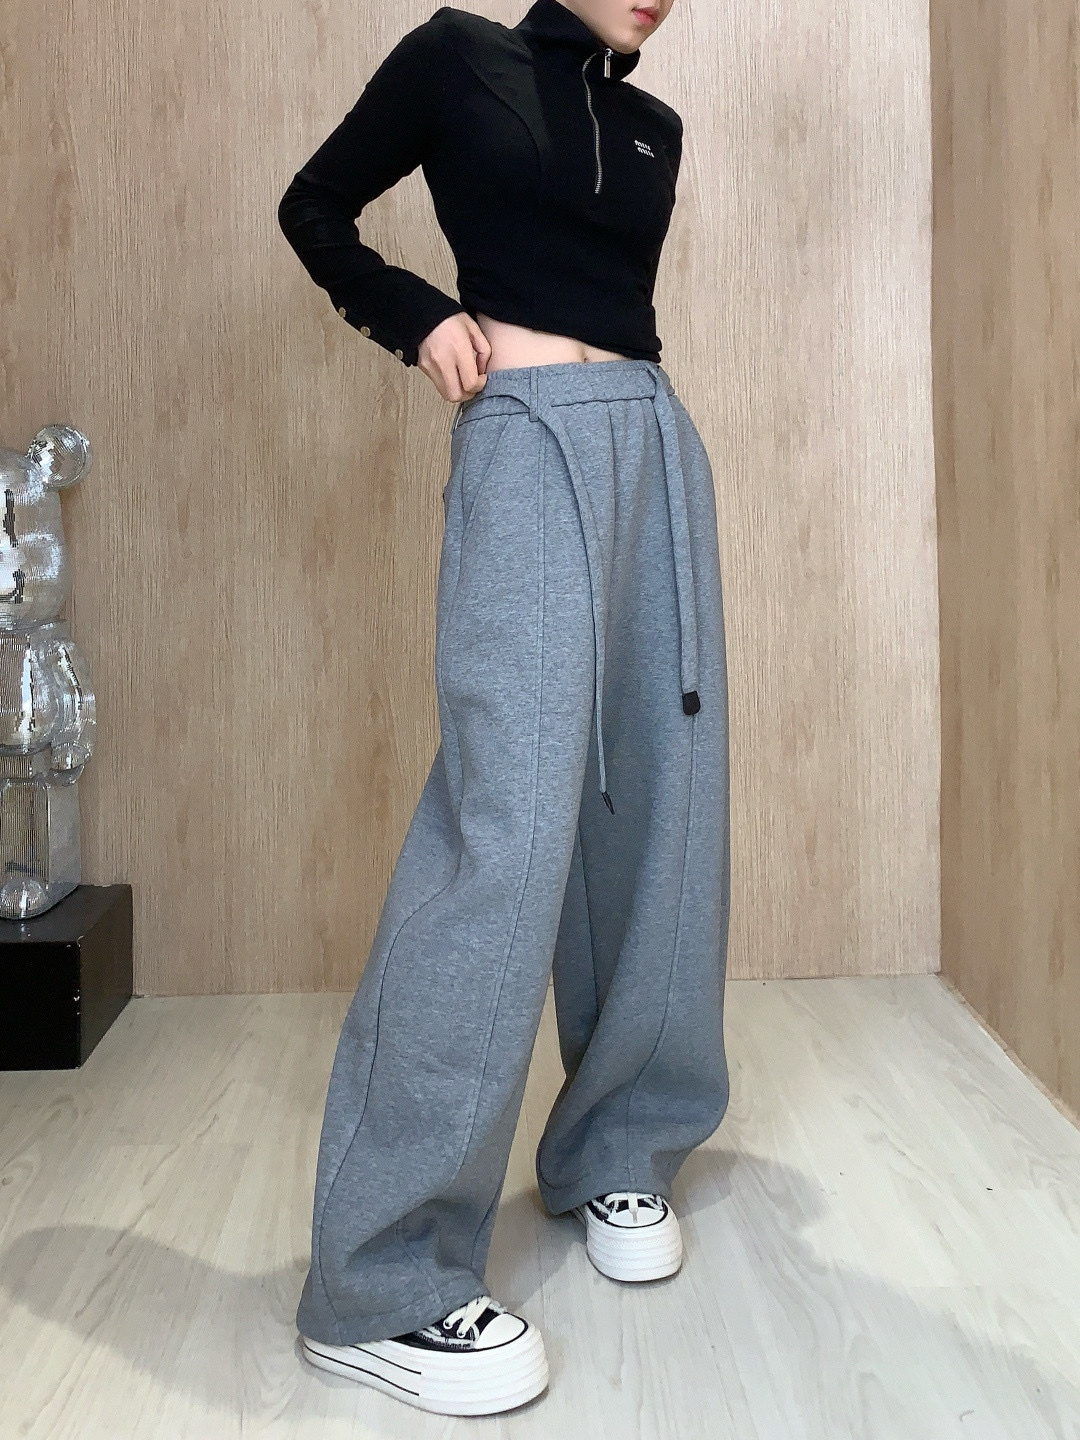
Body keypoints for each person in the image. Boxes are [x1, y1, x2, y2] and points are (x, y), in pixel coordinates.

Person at [277, 0, 731, 1417]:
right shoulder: (456, 59)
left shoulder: (653, 125)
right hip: (528, 443)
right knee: (507, 829)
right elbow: (315, 208)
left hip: (655, 445)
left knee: (662, 808)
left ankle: (618, 1148)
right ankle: (379, 1277)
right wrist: (419, 319)